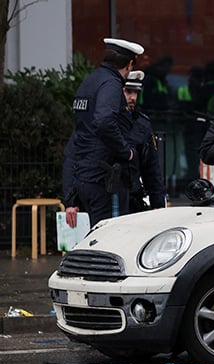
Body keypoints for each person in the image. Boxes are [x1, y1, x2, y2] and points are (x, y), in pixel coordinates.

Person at [63, 37, 144, 228]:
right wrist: (127, 152)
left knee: (97, 235)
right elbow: (104, 122)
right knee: (112, 238)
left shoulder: (90, 82)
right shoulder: (111, 84)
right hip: (106, 179)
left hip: (85, 176)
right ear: (129, 64)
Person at [122, 70, 166, 212]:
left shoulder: (142, 123)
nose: (132, 97)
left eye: (135, 92)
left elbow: (152, 167)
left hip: (133, 195)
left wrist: (157, 203)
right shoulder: (105, 120)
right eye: (128, 92)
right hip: (109, 194)